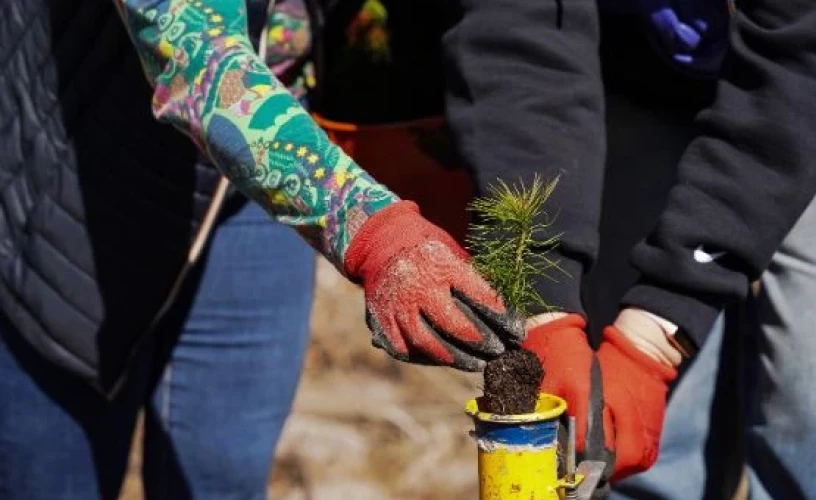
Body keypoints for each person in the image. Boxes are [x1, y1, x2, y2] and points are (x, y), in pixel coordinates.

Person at [439, 0, 816, 497]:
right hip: (642, 59)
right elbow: (517, 33)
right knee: (635, 442)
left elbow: (810, 71)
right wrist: (545, 304)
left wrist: (654, 337)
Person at [0, 1, 521, 498]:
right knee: (53, 472)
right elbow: (199, 58)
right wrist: (373, 229)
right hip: (77, 178)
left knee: (226, 470)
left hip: (264, 175)